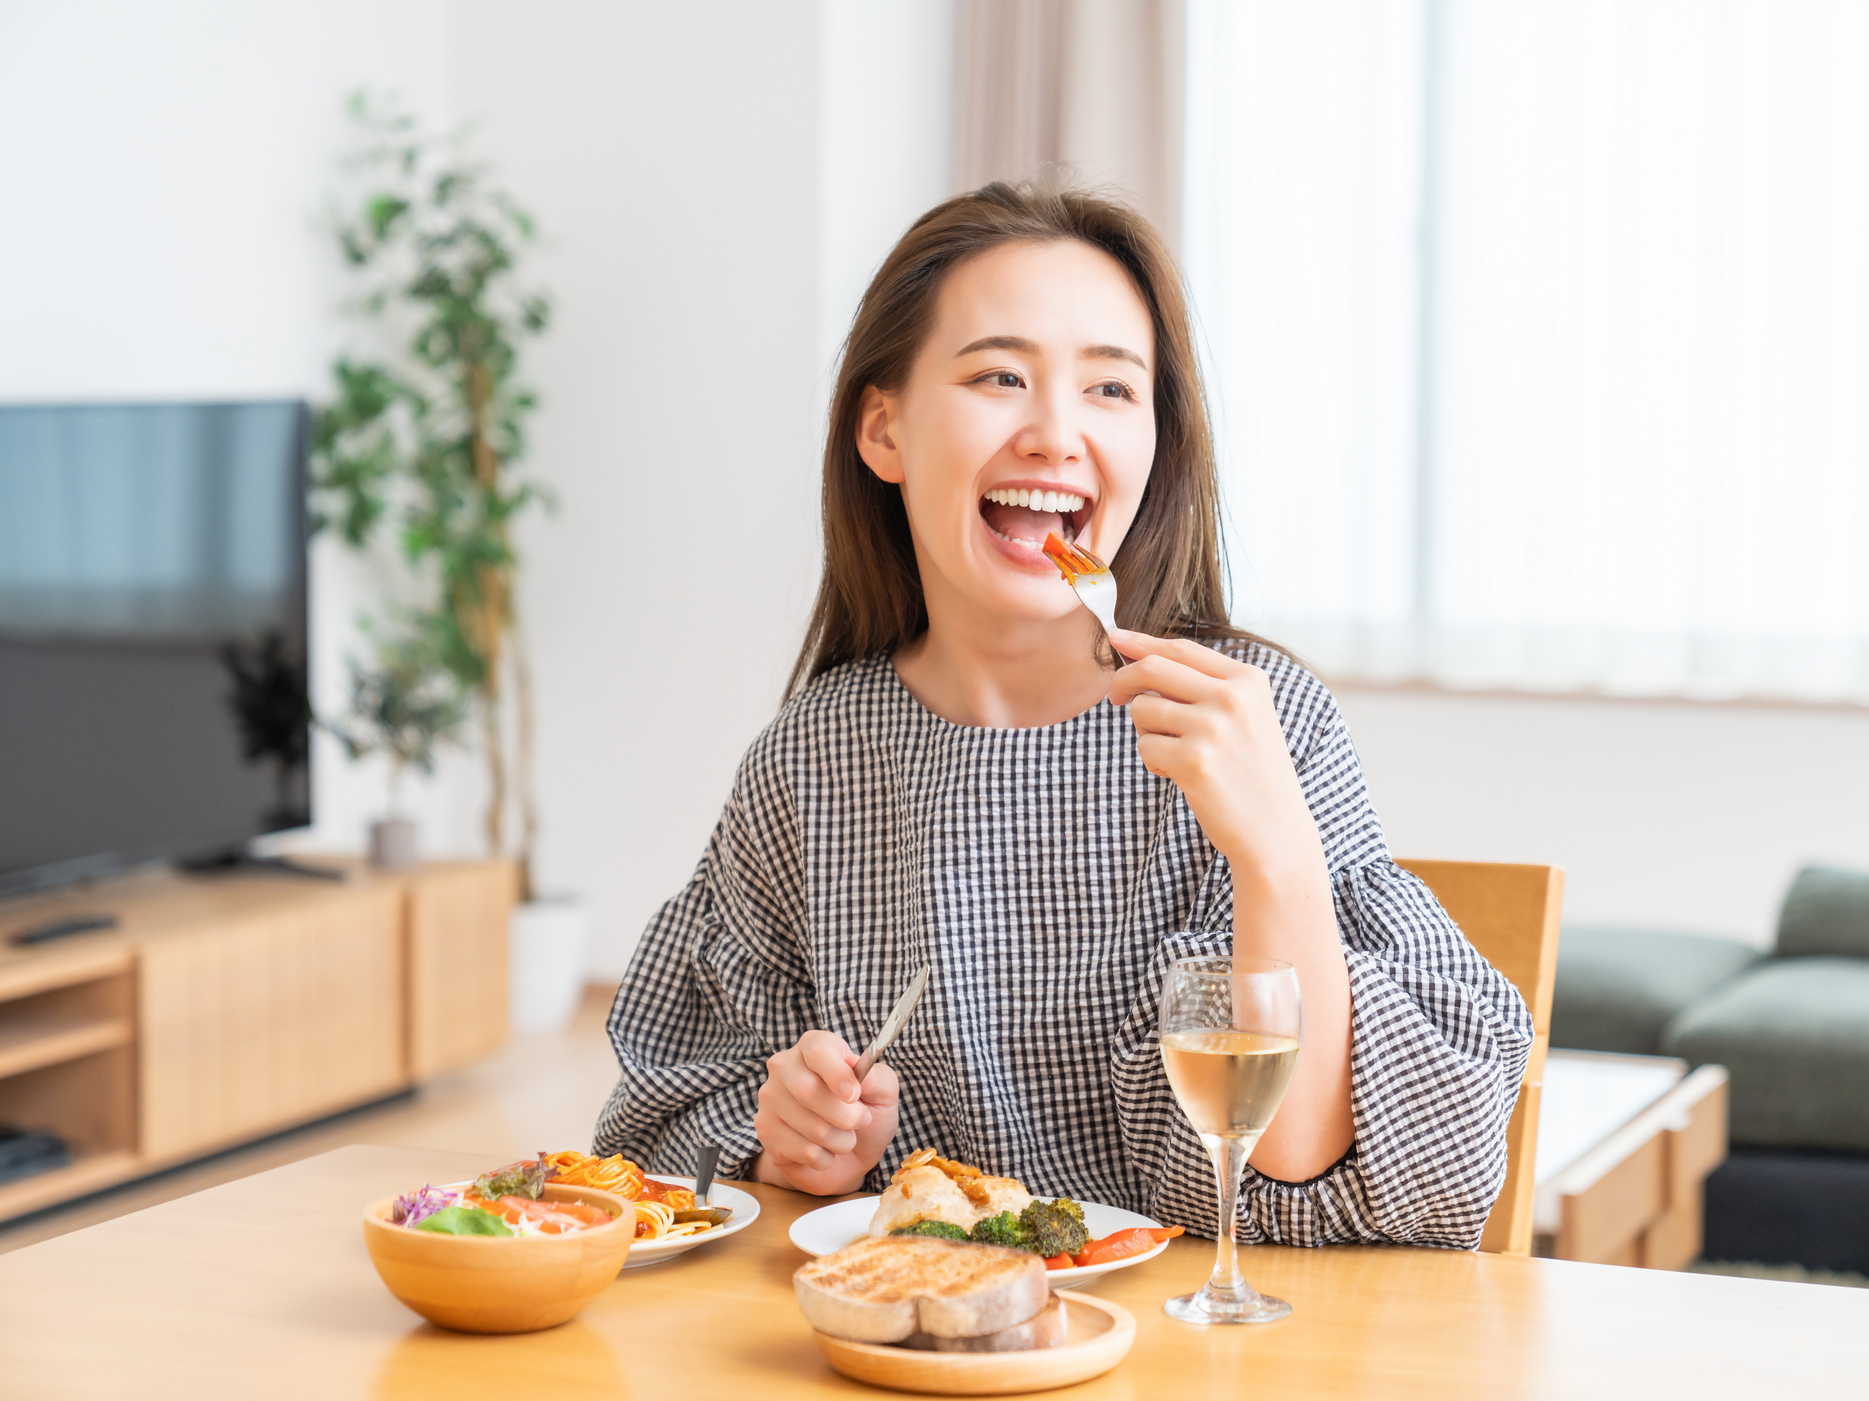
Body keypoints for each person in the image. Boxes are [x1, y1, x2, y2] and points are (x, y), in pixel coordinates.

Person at [594, 180, 1533, 1246]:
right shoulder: (814, 758)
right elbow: (655, 1134)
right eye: (1001, 375)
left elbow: (1304, 1161)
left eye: (1110, 390)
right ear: (884, 428)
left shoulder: (1263, 726)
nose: (1055, 433)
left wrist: (1277, 851)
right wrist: (793, 1143)